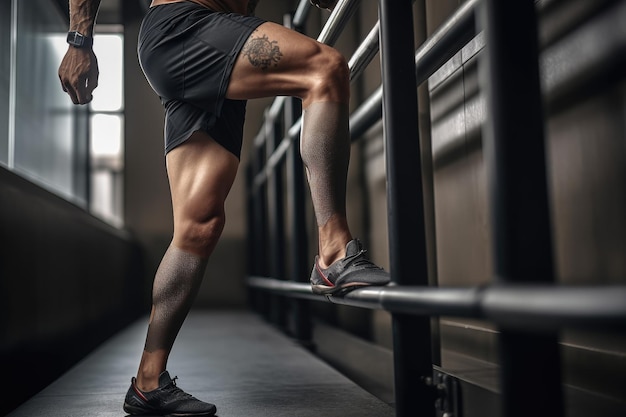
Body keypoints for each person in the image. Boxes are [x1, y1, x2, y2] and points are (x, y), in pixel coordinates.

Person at [58, 0, 390, 415]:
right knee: (325, 69)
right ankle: (335, 252)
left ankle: (148, 381)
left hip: (212, 36)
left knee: (199, 227)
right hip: (185, 27)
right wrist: (79, 40)